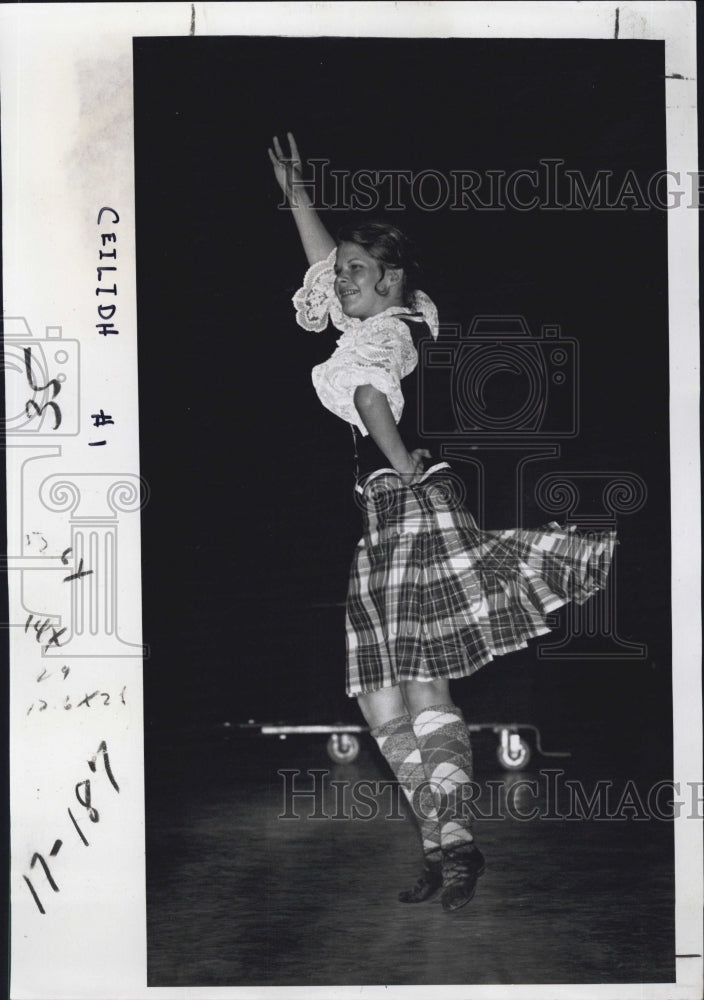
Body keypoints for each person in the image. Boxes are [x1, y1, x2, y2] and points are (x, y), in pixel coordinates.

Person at [269, 133, 616, 912]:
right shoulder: (399, 318)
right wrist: (298, 196)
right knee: (396, 697)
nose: (341, 281)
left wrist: (398, 462)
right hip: (397, 513)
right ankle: (448, 844)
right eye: (345, 272)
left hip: (404, 504)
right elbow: (329, 271)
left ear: (390, 280)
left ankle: (452, 842)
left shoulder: (385, 335)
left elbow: (365, 397)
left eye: (358, 273)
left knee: (404, 689)